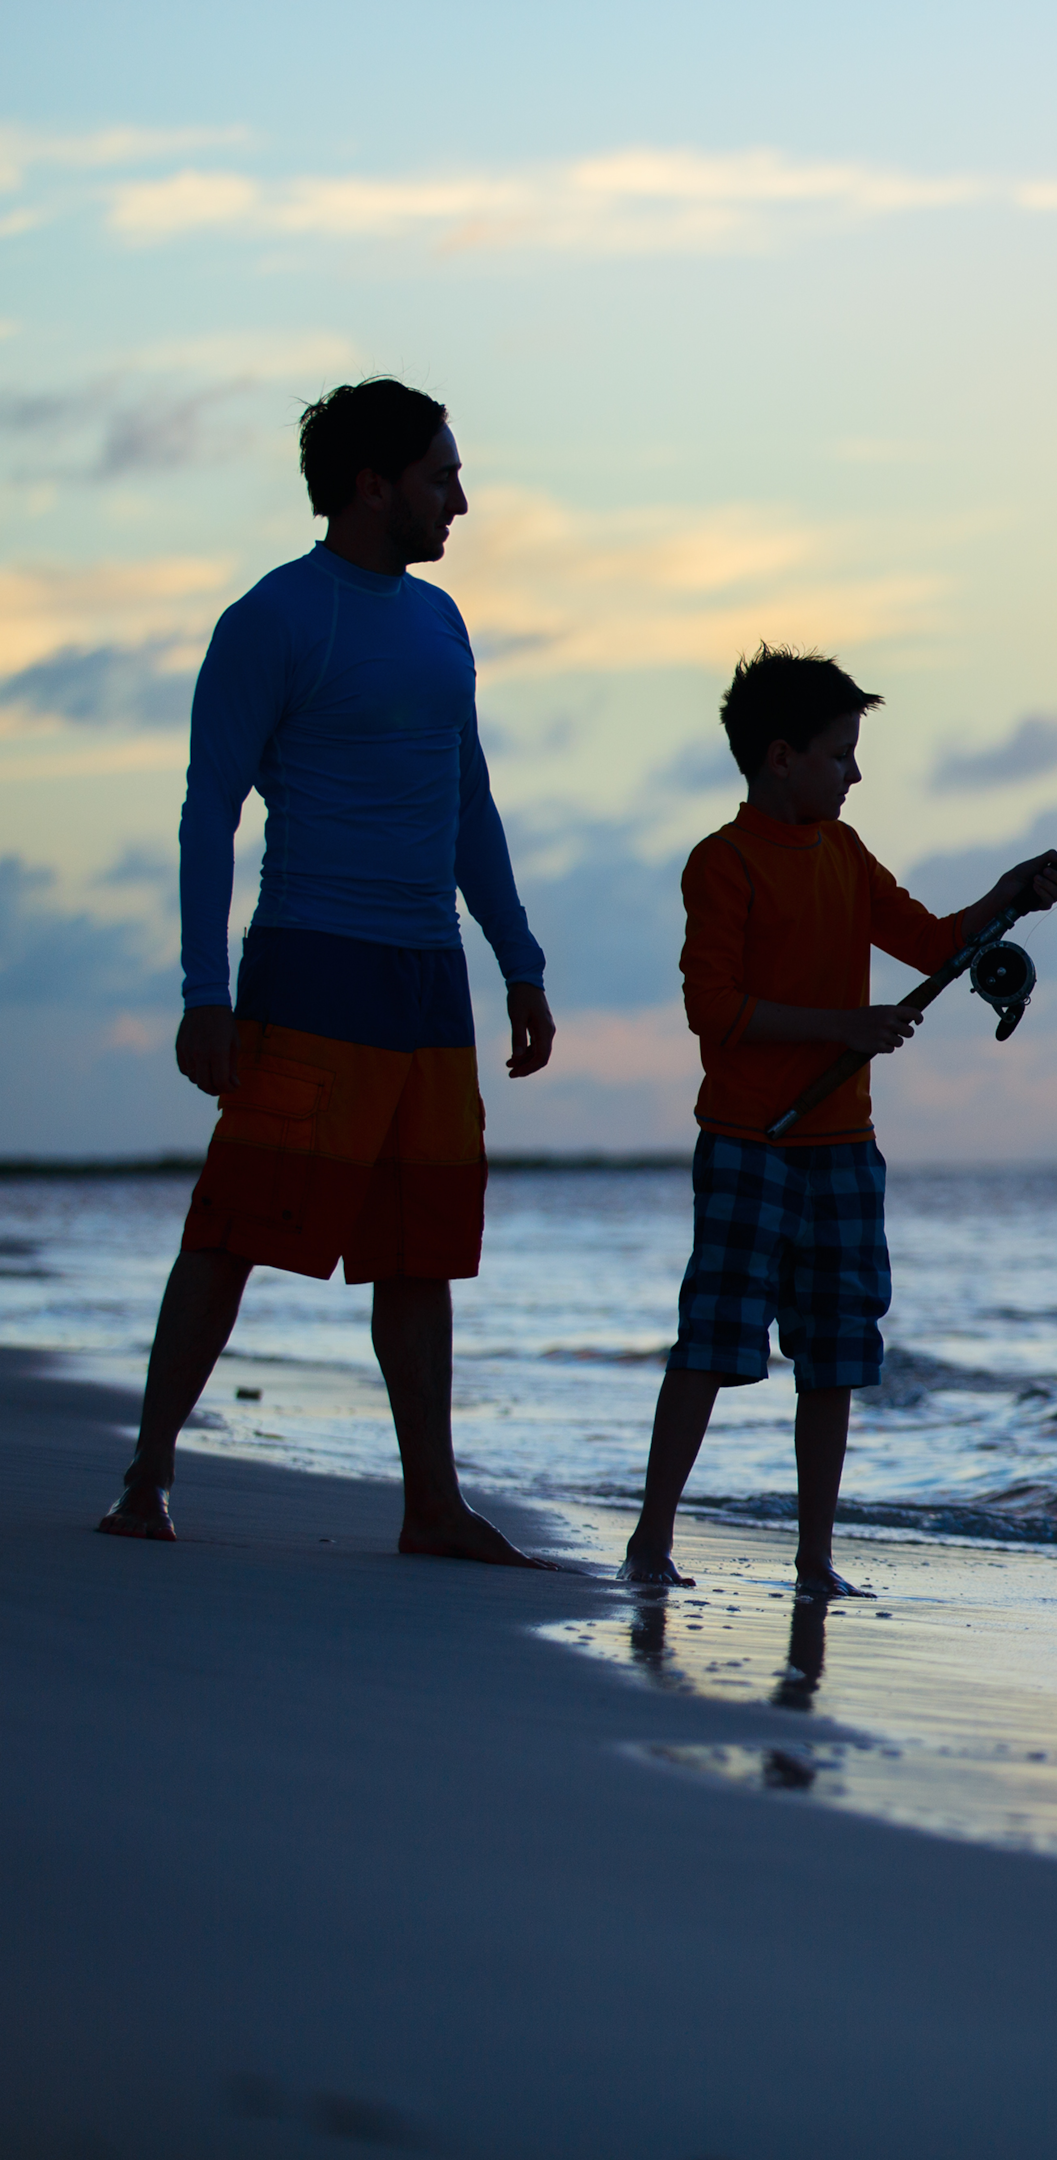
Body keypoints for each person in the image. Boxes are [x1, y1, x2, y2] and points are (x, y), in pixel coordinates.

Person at [99, 378, 558, 1564]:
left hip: (428, 981)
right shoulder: (276, 619)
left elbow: (469, 801)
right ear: (373, 483)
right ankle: (148, 1474)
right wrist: (206, 994)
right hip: (310, 966)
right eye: (441, 476)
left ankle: (430, 1505)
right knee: (237, 1226)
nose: (462, 498)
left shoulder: (443, 621)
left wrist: (518, 957)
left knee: (421, 1247)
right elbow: (210, 816)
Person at [619, 646, 1057, 1594]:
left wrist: (1012, 891)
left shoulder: (848, 853)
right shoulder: (723, 863)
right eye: (840, 754)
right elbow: (717, 1009)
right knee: (712, 1340)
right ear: (779, 756)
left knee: (832, 1359)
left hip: (844, 1150)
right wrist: (846, 1028)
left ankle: (815, 1561)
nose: (855, 773)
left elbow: (936, 943)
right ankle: (651, 1541)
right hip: (751, 1141)